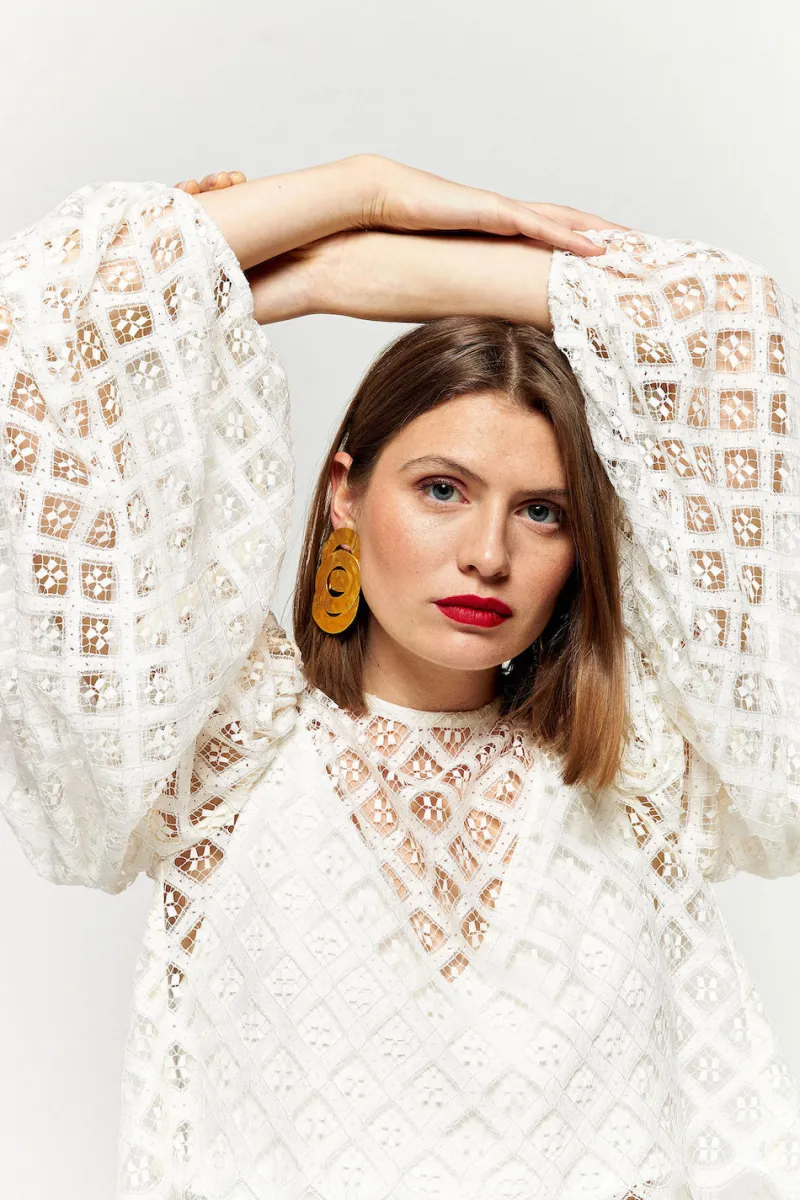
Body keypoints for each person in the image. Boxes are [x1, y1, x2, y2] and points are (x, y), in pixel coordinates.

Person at [0, 153, 798, 1200]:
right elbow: (54, 319)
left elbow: (726, 328)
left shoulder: (642, 766)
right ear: (345, 493)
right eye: (441, 489)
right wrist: (365, 193)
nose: (487, 554)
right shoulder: (223, 760)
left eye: (541, 511)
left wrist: (348, 276)